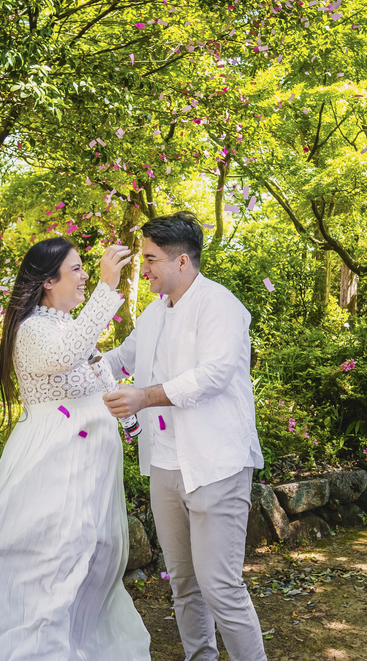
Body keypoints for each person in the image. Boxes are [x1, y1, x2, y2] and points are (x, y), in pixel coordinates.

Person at [0, 238, 151, 661]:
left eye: (87, 269)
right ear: (49, 281)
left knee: (90, 564)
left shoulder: (67, 325)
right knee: (52, 565)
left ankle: (73, 645)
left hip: (90, 471)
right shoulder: (33, 329)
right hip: (56, 466)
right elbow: (67, 357)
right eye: (77, 269)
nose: (85, 276)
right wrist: (106, 287)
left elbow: (94, 368)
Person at [102, 211, 267, 661]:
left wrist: (143, 398)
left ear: (181, 262)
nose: (146, 268)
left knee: (221, 588)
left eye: (151, 259)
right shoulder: (154, 314)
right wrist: (70, 363)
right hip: (164, 466)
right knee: (184, 584)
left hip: (215, 464)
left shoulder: (222, 306)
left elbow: (212, 376)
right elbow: (119, 358)